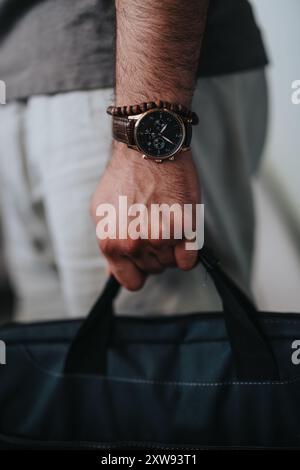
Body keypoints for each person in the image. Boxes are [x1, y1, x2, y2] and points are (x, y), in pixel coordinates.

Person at [0, 0, 268, 321]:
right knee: (62, 355)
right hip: (25, 80)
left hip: (126, 72)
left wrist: (151, 143)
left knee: (166, 360)